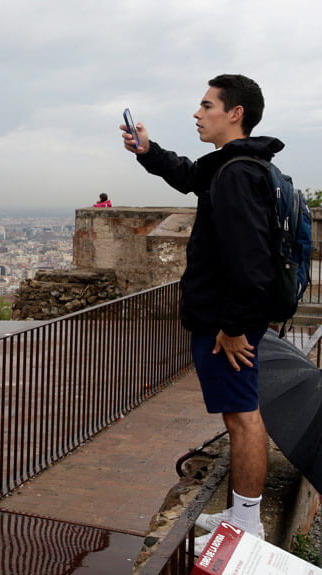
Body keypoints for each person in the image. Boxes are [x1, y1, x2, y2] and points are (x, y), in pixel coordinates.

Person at [121, 74, 282, 554]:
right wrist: (148, 151)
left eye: (207, 105)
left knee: (242, 417)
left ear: (235, 114)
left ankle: (248, 524)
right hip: (226, 320)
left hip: (225, 326)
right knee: (241, 414)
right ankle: (240, 512)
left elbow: (251, 264)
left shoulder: (236, 174)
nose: (197, 112)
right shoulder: (233, 166)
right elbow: (190, 175)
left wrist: (232, 328)